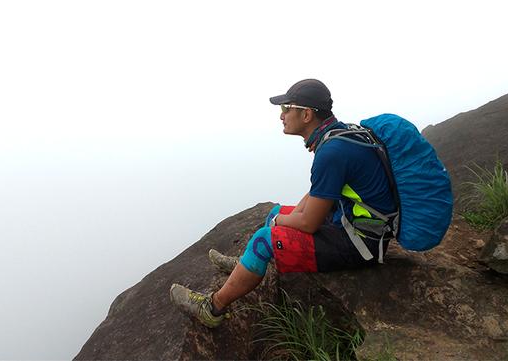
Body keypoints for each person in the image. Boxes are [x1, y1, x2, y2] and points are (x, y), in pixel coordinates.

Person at [169, 79, 397, 328]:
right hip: (351, 223)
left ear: (307, 114)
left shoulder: (332, 152)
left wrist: (280, 223)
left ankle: (212, 308)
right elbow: (317, 193)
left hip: (360, 243)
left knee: (265, 238)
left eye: (286, 109)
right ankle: (247, 265)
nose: (282, 116)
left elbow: (309, 223)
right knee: (276, 214)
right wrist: (282, 217)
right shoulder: (340, 135)